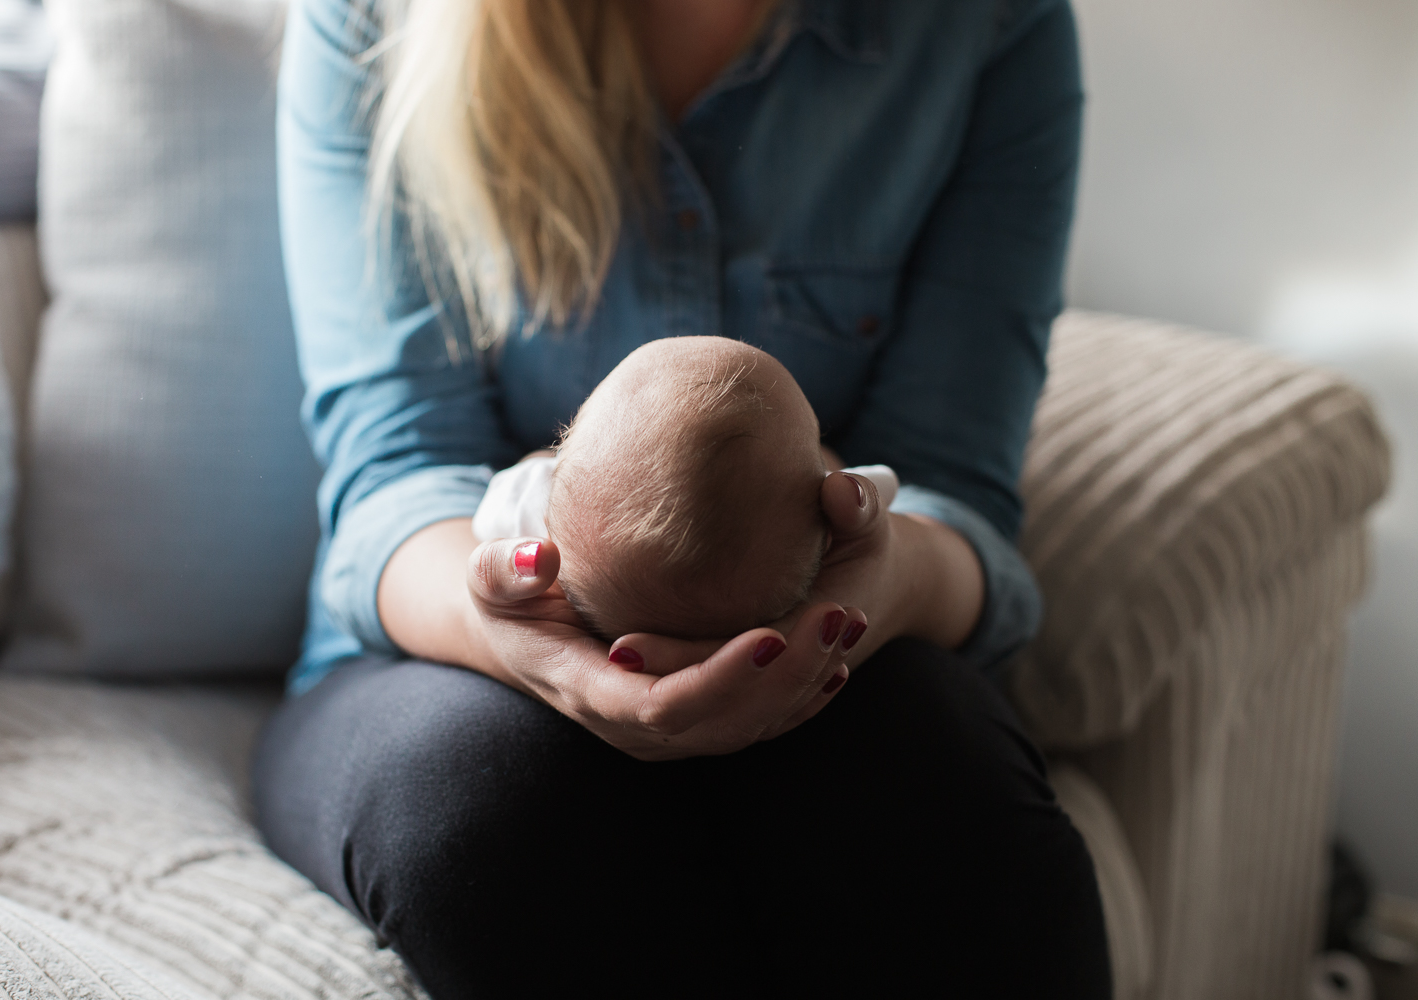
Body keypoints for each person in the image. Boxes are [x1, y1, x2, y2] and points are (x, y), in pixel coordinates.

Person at [254, 0, 1111, 997]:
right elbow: (395, 474)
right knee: (487, 817)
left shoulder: (986, 23)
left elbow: (954, 487)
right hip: (437, 650)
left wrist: (862, 590)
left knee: (947, 813)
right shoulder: (377, 18)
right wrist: (531, 642)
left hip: (837, 652)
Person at [476, 336, 899, 645]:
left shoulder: (533, 503)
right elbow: (882, 486)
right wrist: (830, 465)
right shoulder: (825, 529)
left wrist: (538, 463)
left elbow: (490, 509)